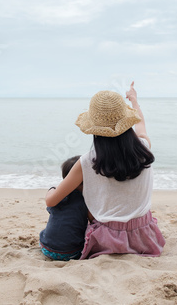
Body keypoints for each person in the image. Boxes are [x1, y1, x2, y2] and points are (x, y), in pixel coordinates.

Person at [45, 82, 165, 259]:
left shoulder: (86, 162)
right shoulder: (143, 149)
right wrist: (134, 101)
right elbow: (141, 126)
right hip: (144, 236)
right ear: (126, 123)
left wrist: (50, 192)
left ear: (95, 129)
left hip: (106, 239)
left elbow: (52, 201)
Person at [39, 156, 88, 260]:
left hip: (47, 249)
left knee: (45, 231)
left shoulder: (59, 197)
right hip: (72, 253)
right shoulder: (86, 199)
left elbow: (50, 207)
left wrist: (52, 189)